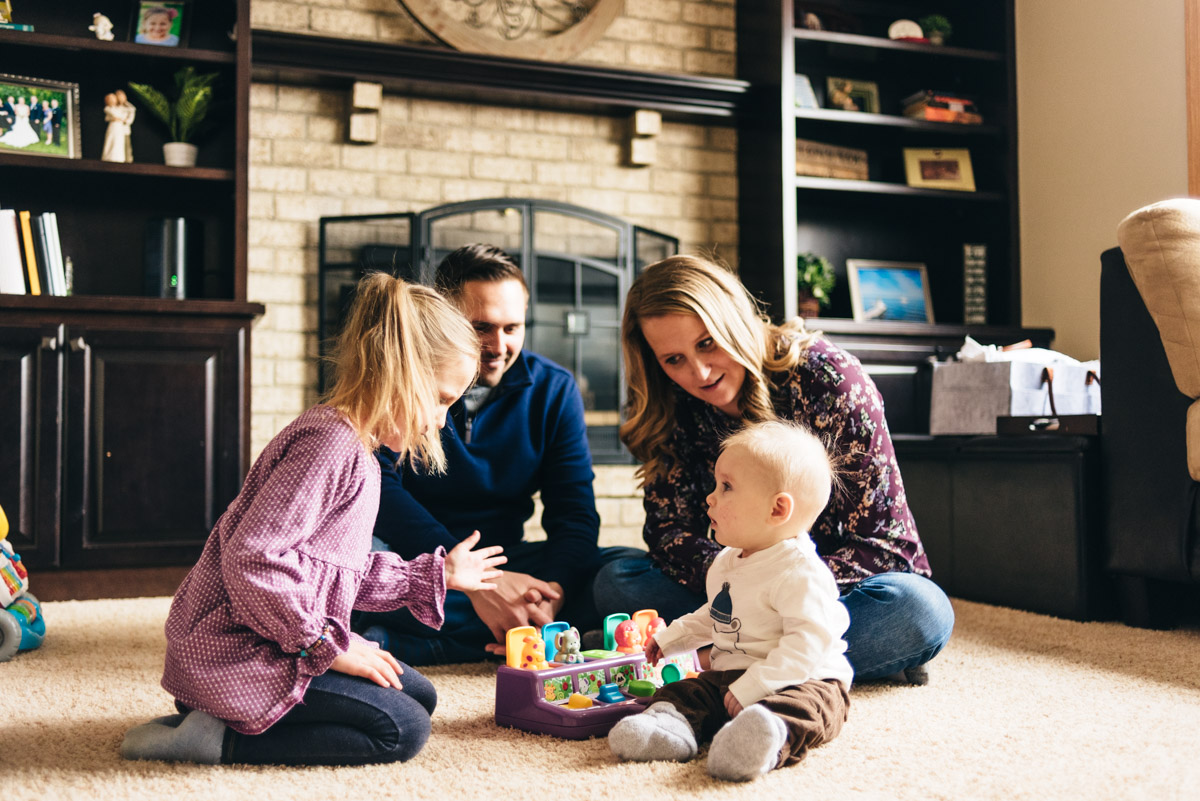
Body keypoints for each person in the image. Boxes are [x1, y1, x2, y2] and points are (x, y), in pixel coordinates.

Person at [120, 273, 507, 766]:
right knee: (403, 729)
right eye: (441, 399)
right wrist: (327, 646)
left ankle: (222, 720)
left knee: (419, 697)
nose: (441, 421)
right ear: (398, 372)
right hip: (237, 657)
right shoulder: (329, 445)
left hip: (278, 640)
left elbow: (342, 570)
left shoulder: (361, 454)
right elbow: (253, 558)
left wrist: (437, 575)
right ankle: (215, 738)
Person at [594, 255, 953, 684]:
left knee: (917, 609)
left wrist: (772, 582)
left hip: (827, 591)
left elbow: (888, 548)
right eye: (674, 360)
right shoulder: (669, 404)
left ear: (734, 320)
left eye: (707, 342)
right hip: (725, 594)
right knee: (617, 578)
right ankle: (782, 660)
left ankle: (722, 660)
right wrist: (739, 580)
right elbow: (668, 534)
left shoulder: (829, 381)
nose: (699, 372)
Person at [357, 244, 641, 666]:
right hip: (420, 561)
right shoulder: (403, 379)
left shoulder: (555, 388)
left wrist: (553, 595)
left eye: (512, 328)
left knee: (624, 574)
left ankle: (428, 641)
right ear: (445, 318)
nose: (498, 345)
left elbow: (574, 513)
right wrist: (477, 584)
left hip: (511, 558)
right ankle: (516, 635)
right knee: (356, 572)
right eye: (481, 327)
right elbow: (378, 489)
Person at [609, 420, 851, 782]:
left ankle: (764, 735)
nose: (711, 497)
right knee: (684, 691)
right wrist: (672, 639)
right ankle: (668, 728)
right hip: (730, 677)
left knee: (809, 709)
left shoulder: (800, 572)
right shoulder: (727, 561)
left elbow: (808, 645)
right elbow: (717, 615)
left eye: (726, 487)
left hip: (802, 678)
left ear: (776, 510)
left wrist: (757, 687)